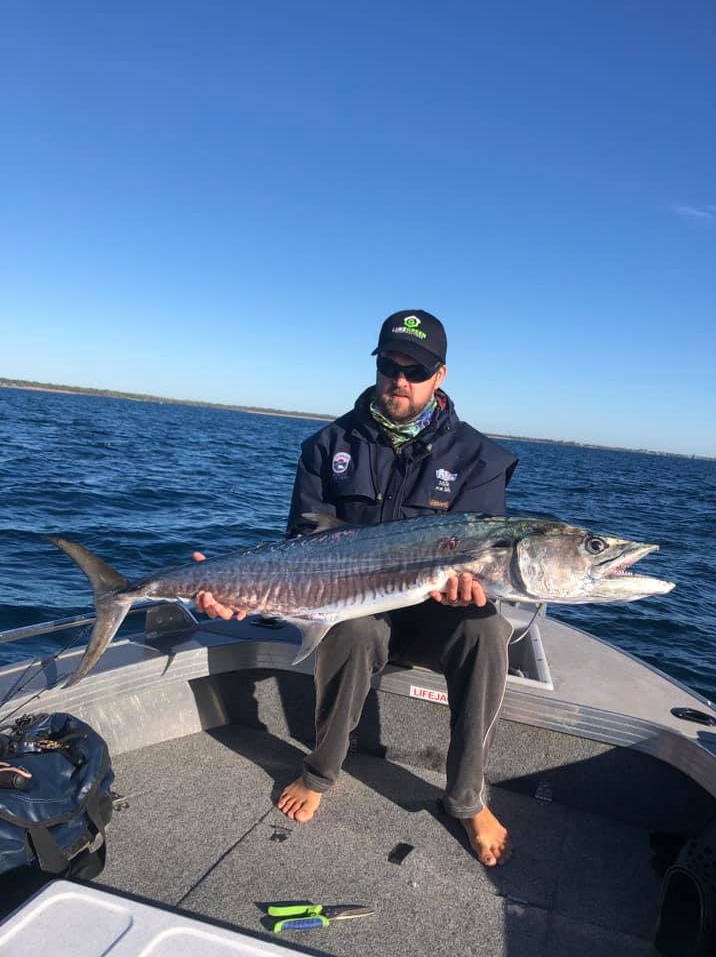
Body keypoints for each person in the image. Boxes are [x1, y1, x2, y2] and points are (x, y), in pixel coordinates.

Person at [194, 310, 518, 866]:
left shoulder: (479, 459)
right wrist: (236, 589)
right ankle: (320, 771)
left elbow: (482, 549)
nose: (399, 379)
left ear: (440, 375)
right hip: (351, 600)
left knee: (487, 630)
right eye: (389, 365)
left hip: (432, 612)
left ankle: (466, 797)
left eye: (415, 369)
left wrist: (473, 587)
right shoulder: (328, 444)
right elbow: (302, 542)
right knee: (356, 627)